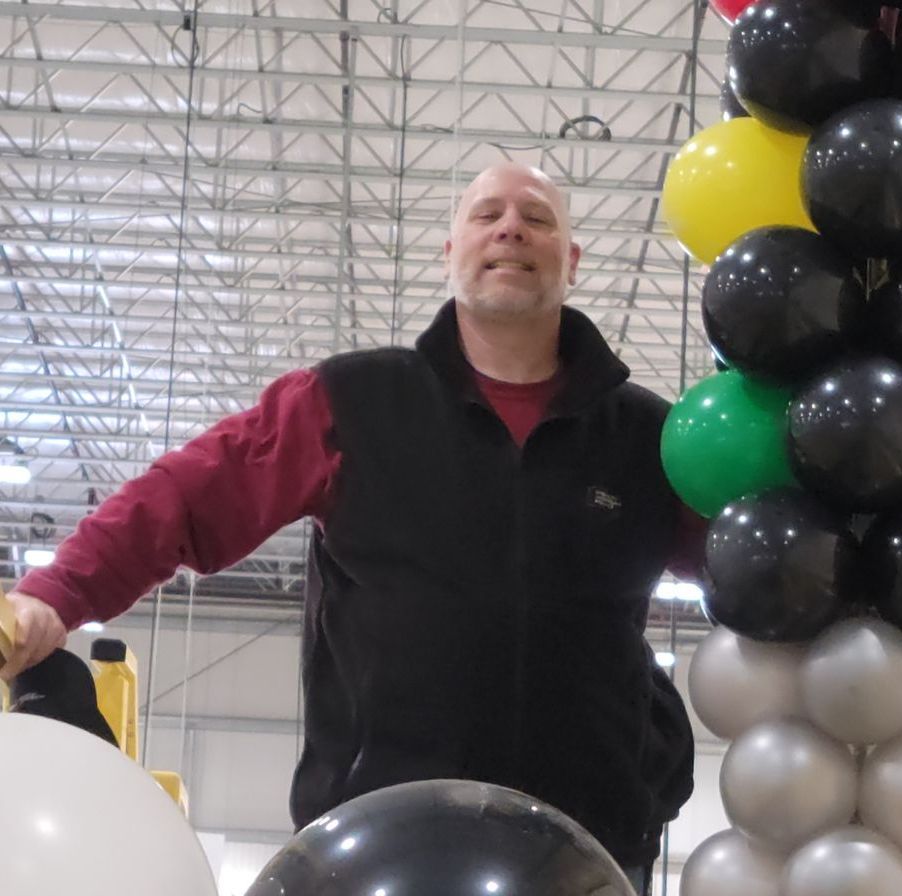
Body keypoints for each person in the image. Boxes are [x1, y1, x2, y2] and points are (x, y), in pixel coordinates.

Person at [0, 162, 700, 893]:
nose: (510, 229)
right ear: (450, 253)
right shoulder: (348, 402)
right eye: (486, 213)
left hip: (585, 853)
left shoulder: (651, 438)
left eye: (537, 218)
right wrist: (58, 593)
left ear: (572, 261)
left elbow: (744, 564)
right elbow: (186, 496)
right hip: (378, 846)